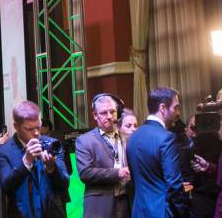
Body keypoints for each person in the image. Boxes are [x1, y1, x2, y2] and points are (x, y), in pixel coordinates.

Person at [0, 101, 69, 217]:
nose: (36, 133)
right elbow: (7, 187)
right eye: (29, 129)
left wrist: (52, 168)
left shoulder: (52, 144)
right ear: (16, 127)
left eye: (38, 127)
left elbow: (64, 183)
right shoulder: (3, 152)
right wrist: (26, 161)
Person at [126, 87, 190, 217]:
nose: (178, 113)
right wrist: (184, 213)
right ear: (162, 108)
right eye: (176, 107)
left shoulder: (133, 137)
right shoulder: (167, 137)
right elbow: (174, 185)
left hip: (138, 212)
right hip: (162, 212)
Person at [75, 94, 131, 217]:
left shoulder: (128, 138)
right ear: (95, 115)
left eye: (112, 112)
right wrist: (118, 173)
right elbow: (85, 173)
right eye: (104, 113)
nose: (110, 116)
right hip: (100, 206)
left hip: (128, 202)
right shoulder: (84, 141)